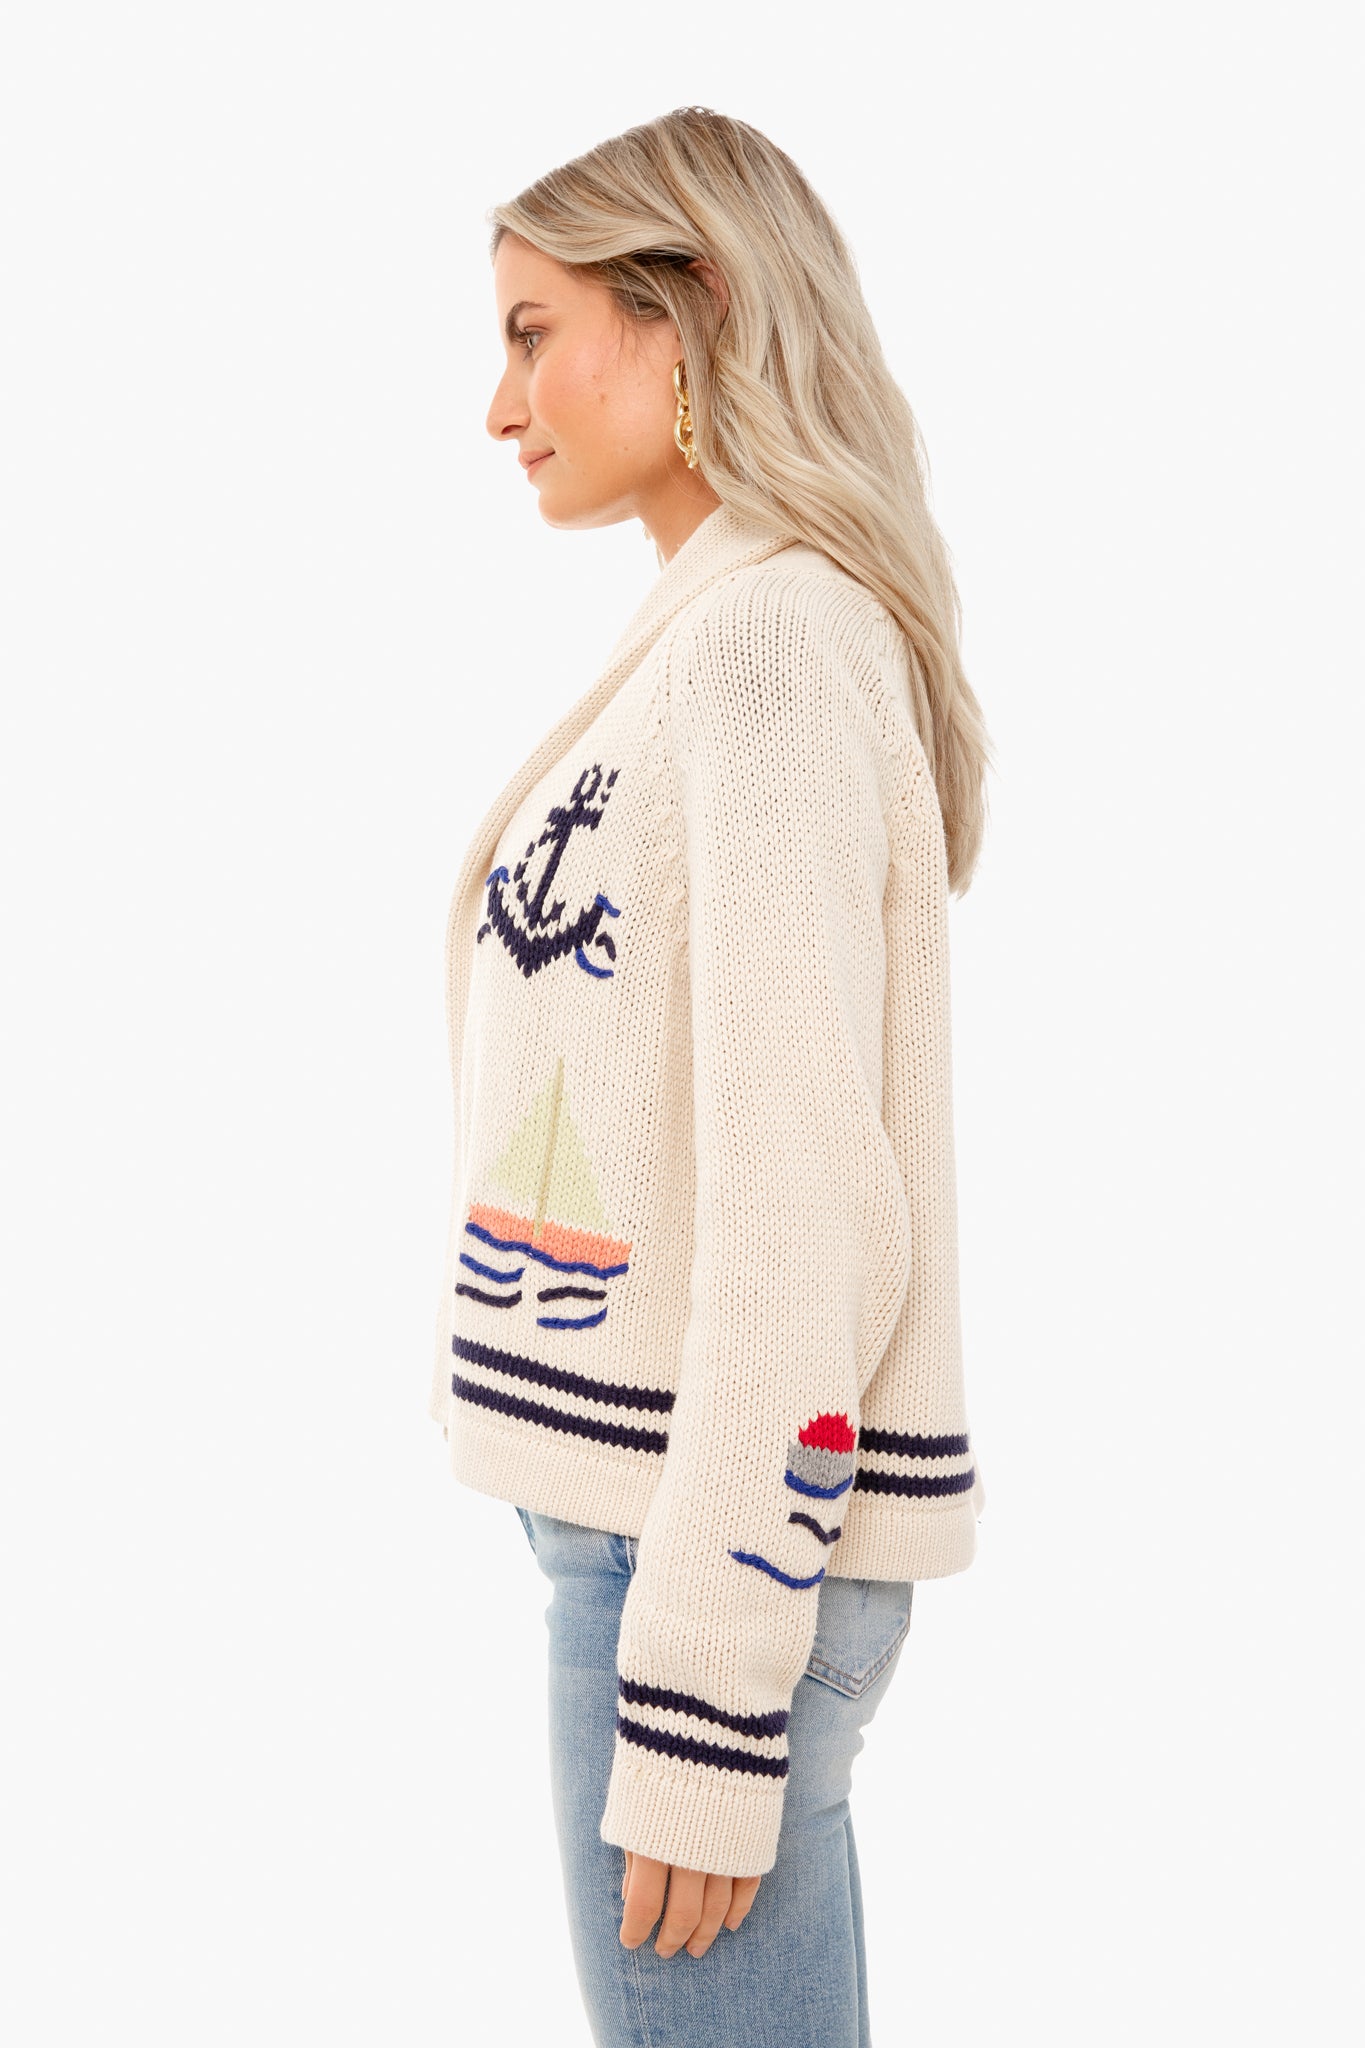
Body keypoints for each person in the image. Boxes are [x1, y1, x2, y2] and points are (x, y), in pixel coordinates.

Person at [428, 106, 992, 2048]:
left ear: (690, 319)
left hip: (692, 1545)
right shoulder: (736, 628)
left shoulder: (761, 655)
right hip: (658, 1528)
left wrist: (702, 1682)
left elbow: (803, 1208)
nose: (499, 404)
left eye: (533, 333)